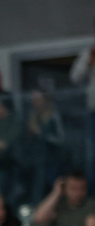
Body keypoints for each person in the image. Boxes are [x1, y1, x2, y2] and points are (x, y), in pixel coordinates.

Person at [25, 89, 66, 204]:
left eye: (38, 99)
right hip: (34, 159)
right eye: (33, 100)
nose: (35, 102)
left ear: (45, 100)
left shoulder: (53, 116)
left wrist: (40, 133)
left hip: (51, 159)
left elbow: (60, 139)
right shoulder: (32, 115)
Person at [70, 17, 95, 183]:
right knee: (91, 156)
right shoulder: (90, 51)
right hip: (94, 112)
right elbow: (75, 77)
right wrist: (89, 61)